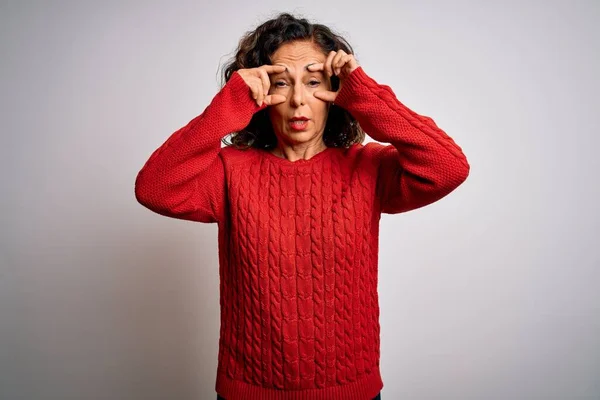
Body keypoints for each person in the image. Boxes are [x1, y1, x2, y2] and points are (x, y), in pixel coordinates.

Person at [134, 11, 469, 400]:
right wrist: (226, 109)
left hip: (351, 392)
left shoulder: (368, 167)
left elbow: (448, 167)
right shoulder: (229, 172)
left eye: (313, 83)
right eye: (281, 83)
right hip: (249, 391)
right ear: (261, 94)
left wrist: (366, 95)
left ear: (336, 93)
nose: (297, 100)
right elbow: (154, 188)